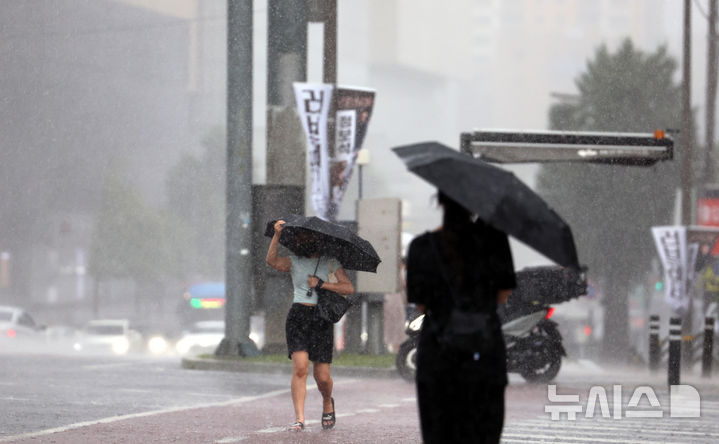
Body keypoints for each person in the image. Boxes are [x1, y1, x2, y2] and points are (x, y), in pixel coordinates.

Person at [406, 191, 516, 444]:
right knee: (482, 435)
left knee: (440, 434)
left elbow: (420, 304)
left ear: (441, 202)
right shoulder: (494, 241)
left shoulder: (422, 247)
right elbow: (503, 293)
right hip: (485, 353)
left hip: (438, 355)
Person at [265, 220, 355, 432]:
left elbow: (348, 288)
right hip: (298, 316)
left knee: (322, 376)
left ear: (319, 241)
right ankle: (300, 419)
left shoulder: (330, 262)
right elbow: (272, 261)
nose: (302, 242)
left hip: (321, 318)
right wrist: (276, 236)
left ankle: (327, 401)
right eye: (300, 239)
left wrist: (322, 284)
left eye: (307, 238)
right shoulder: (294, 261)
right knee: (300, 368)